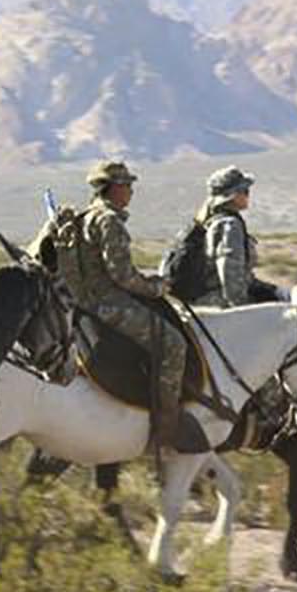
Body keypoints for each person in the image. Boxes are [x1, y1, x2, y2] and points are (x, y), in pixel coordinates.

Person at [67, 161, 203, 452]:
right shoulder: (109, 221)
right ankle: (166, 428)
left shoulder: (86, 216)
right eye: (127, 185)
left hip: (87, 300)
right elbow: (122, 276)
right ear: (113, 188)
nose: (131, 191)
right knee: (174, 344)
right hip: (109, 304)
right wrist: (157, 286)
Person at [195, 166, 286, 306]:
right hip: (219, 304)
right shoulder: (230, 225)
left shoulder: (211, 222)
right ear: (233, 195)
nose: (248, 195)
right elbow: (229, 273)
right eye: (245, 191)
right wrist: (243, 309)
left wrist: (271, 290)